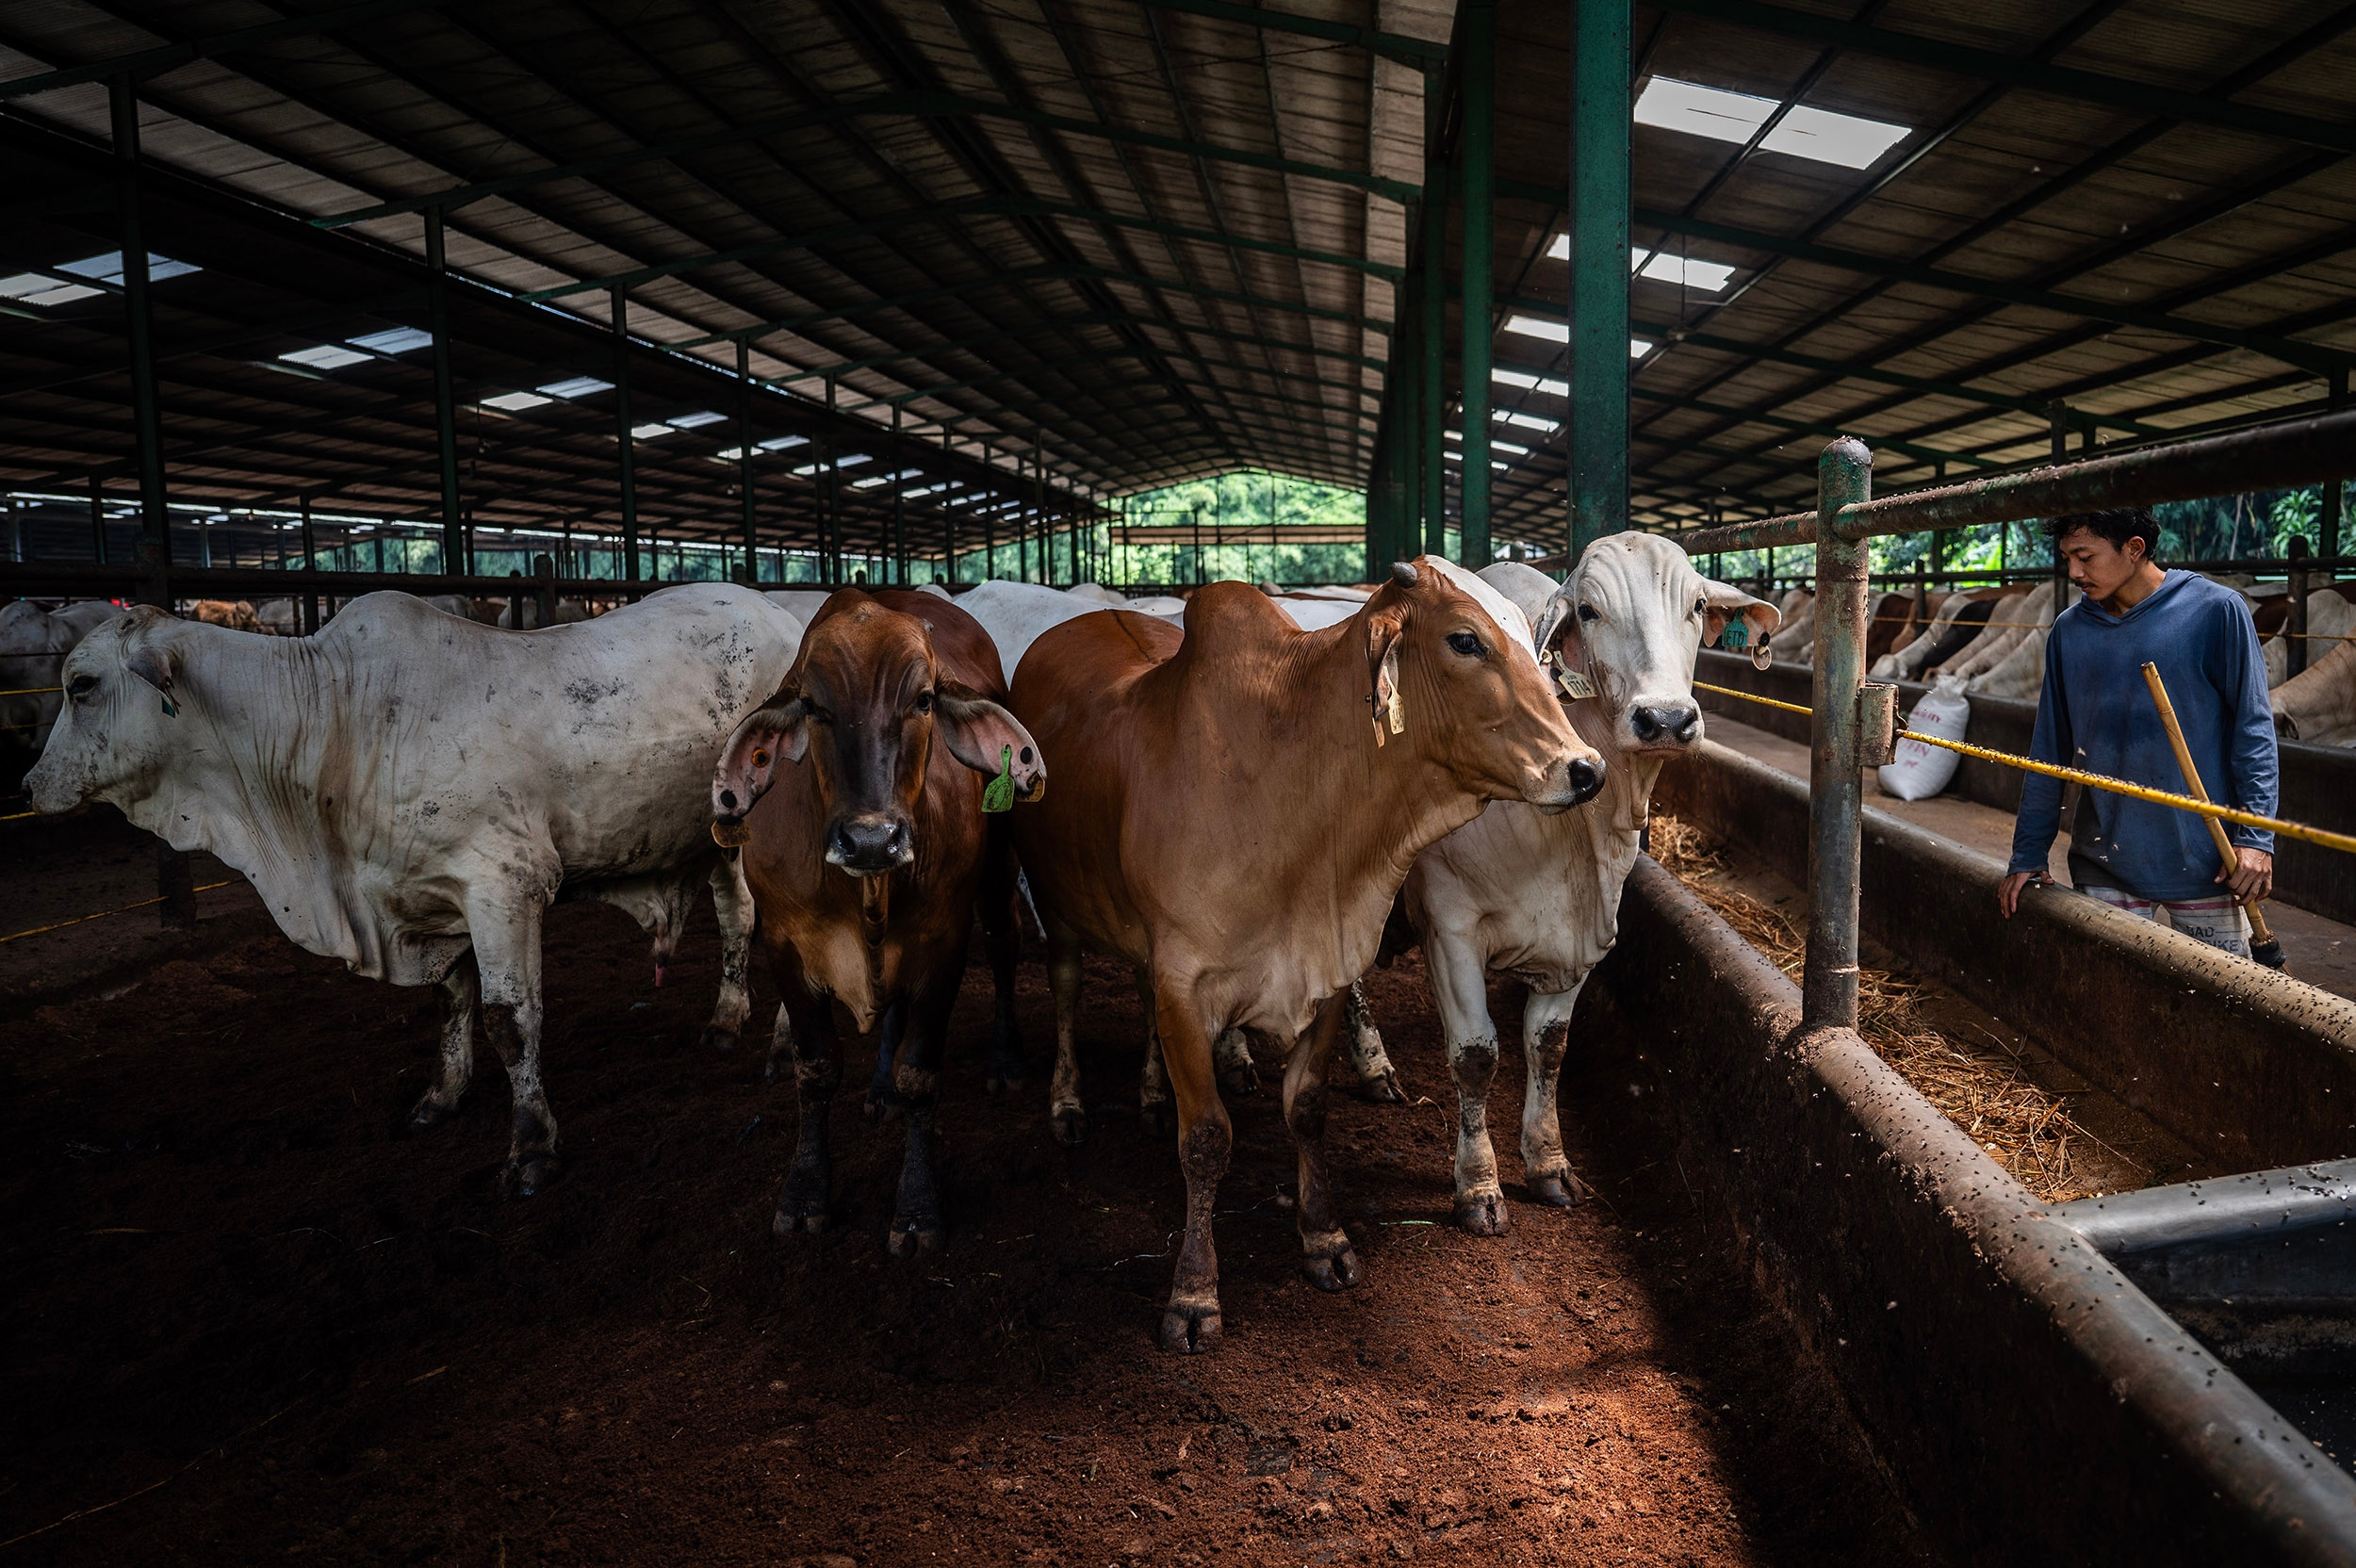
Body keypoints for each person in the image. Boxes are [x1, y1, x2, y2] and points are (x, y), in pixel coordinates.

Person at [2000, 506, 2276, 957]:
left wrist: (2256, 838)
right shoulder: (2069, 630)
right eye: (2067, 558)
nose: (2074, 572)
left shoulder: (2216, 611)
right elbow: (2049, 749)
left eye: (2085, 557)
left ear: (2134, 548)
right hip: (2104, 861)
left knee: (2220, 993)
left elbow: (2254, 731)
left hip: (2209, 862)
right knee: (2107, 988)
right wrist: (2028, 852)